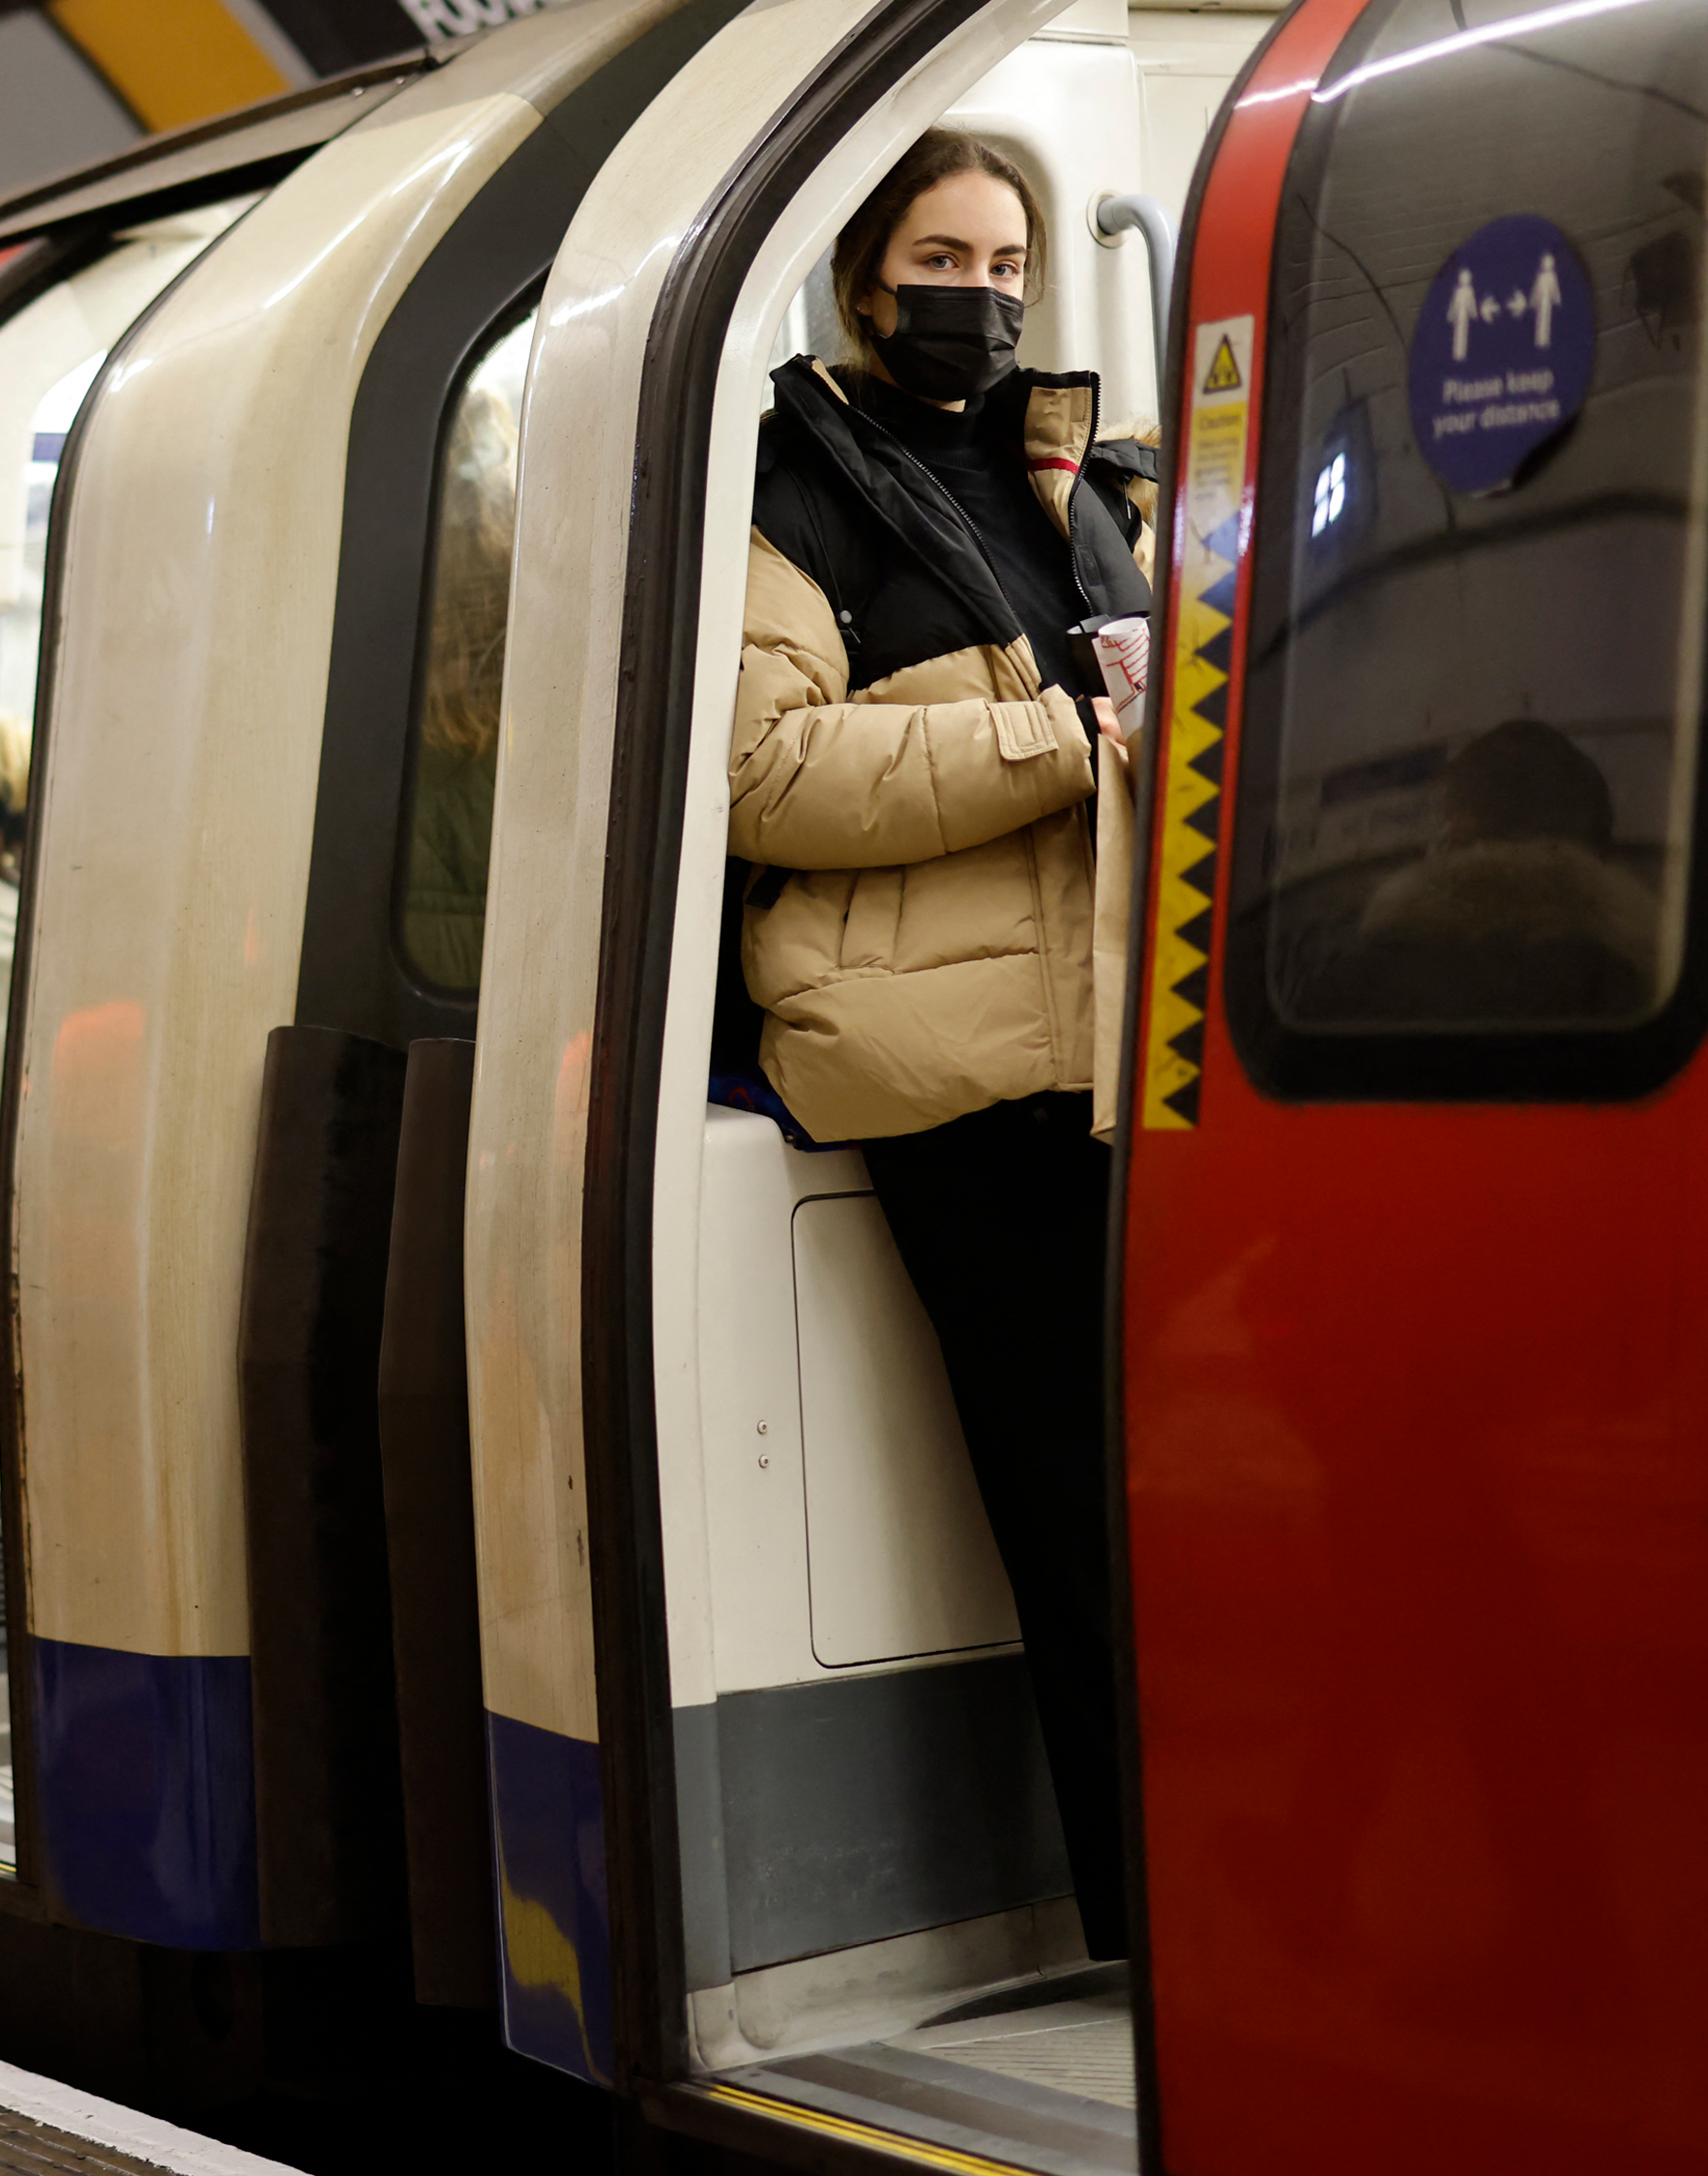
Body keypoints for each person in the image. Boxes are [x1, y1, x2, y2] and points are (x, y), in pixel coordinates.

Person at [725, 131, 1158, 1960]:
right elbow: (764, 774)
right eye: (938, 255)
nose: (973, 291)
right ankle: (1153, 1919)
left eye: (1004, 259)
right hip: (954, 1070)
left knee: (1164, 1494)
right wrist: (1066, 737)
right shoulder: (789, 477)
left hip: (1129, 1043)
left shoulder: (1080, 479)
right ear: (861, 273)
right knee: (1075, 1507)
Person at [1308, 719, 1658, 1022]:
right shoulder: (1640, 991)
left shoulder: (1359, 987)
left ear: (1462, 825)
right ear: (1598, 847)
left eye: (1446, 817)